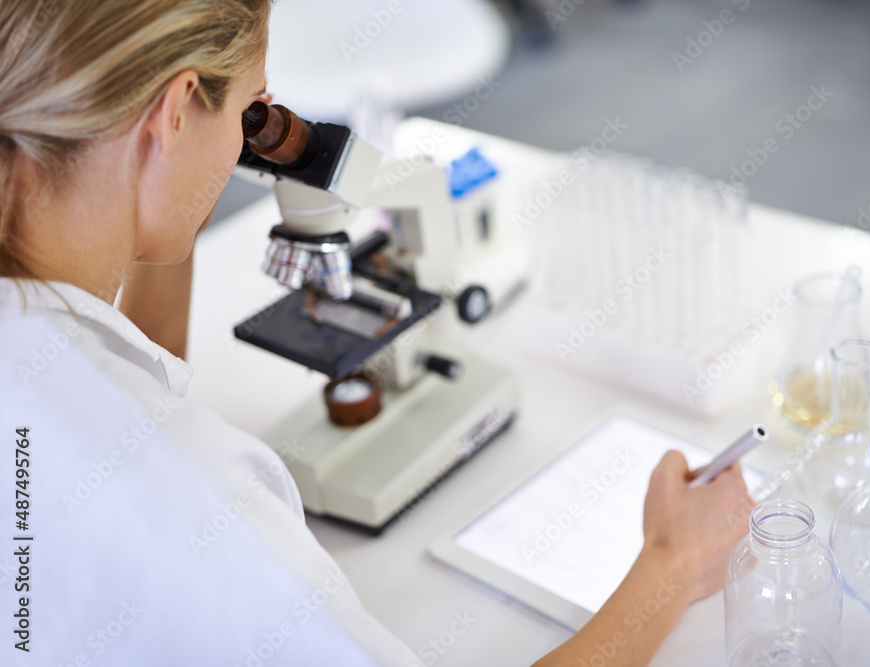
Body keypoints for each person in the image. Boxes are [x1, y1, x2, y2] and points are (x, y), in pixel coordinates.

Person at [0, 1, 751, 665]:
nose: (247, 143)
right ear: (174, 110)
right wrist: (672, 561)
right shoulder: (203, 493)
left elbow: (135, 374)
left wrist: (161, 185)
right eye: (249, 111)